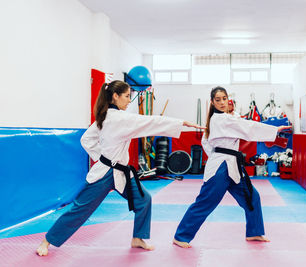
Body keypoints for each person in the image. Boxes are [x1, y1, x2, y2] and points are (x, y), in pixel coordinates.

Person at [37, 80, 204, 256]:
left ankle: (138, 238)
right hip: (105, 174)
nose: (128, 100)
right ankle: (47, 241)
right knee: (81, 209)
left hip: (121, 172)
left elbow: (86, 139)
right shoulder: (118, 118)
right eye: (126, 96)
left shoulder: (104, 117)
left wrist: (101, 156)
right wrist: (182, 123)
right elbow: (150, 122)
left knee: (143, 199)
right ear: (115, 96)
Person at [173, 86, 291, 248]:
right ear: (213, 103)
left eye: (224, 98)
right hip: (221, 167)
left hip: (233, 165)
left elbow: (236, 129)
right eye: (218, 100)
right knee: (206, 202)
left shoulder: (225, 119)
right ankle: (181, 236)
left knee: (252, 197)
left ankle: (254, 231)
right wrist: (274, 129)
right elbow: (248, 127)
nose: (222, 102)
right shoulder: (220, 119)